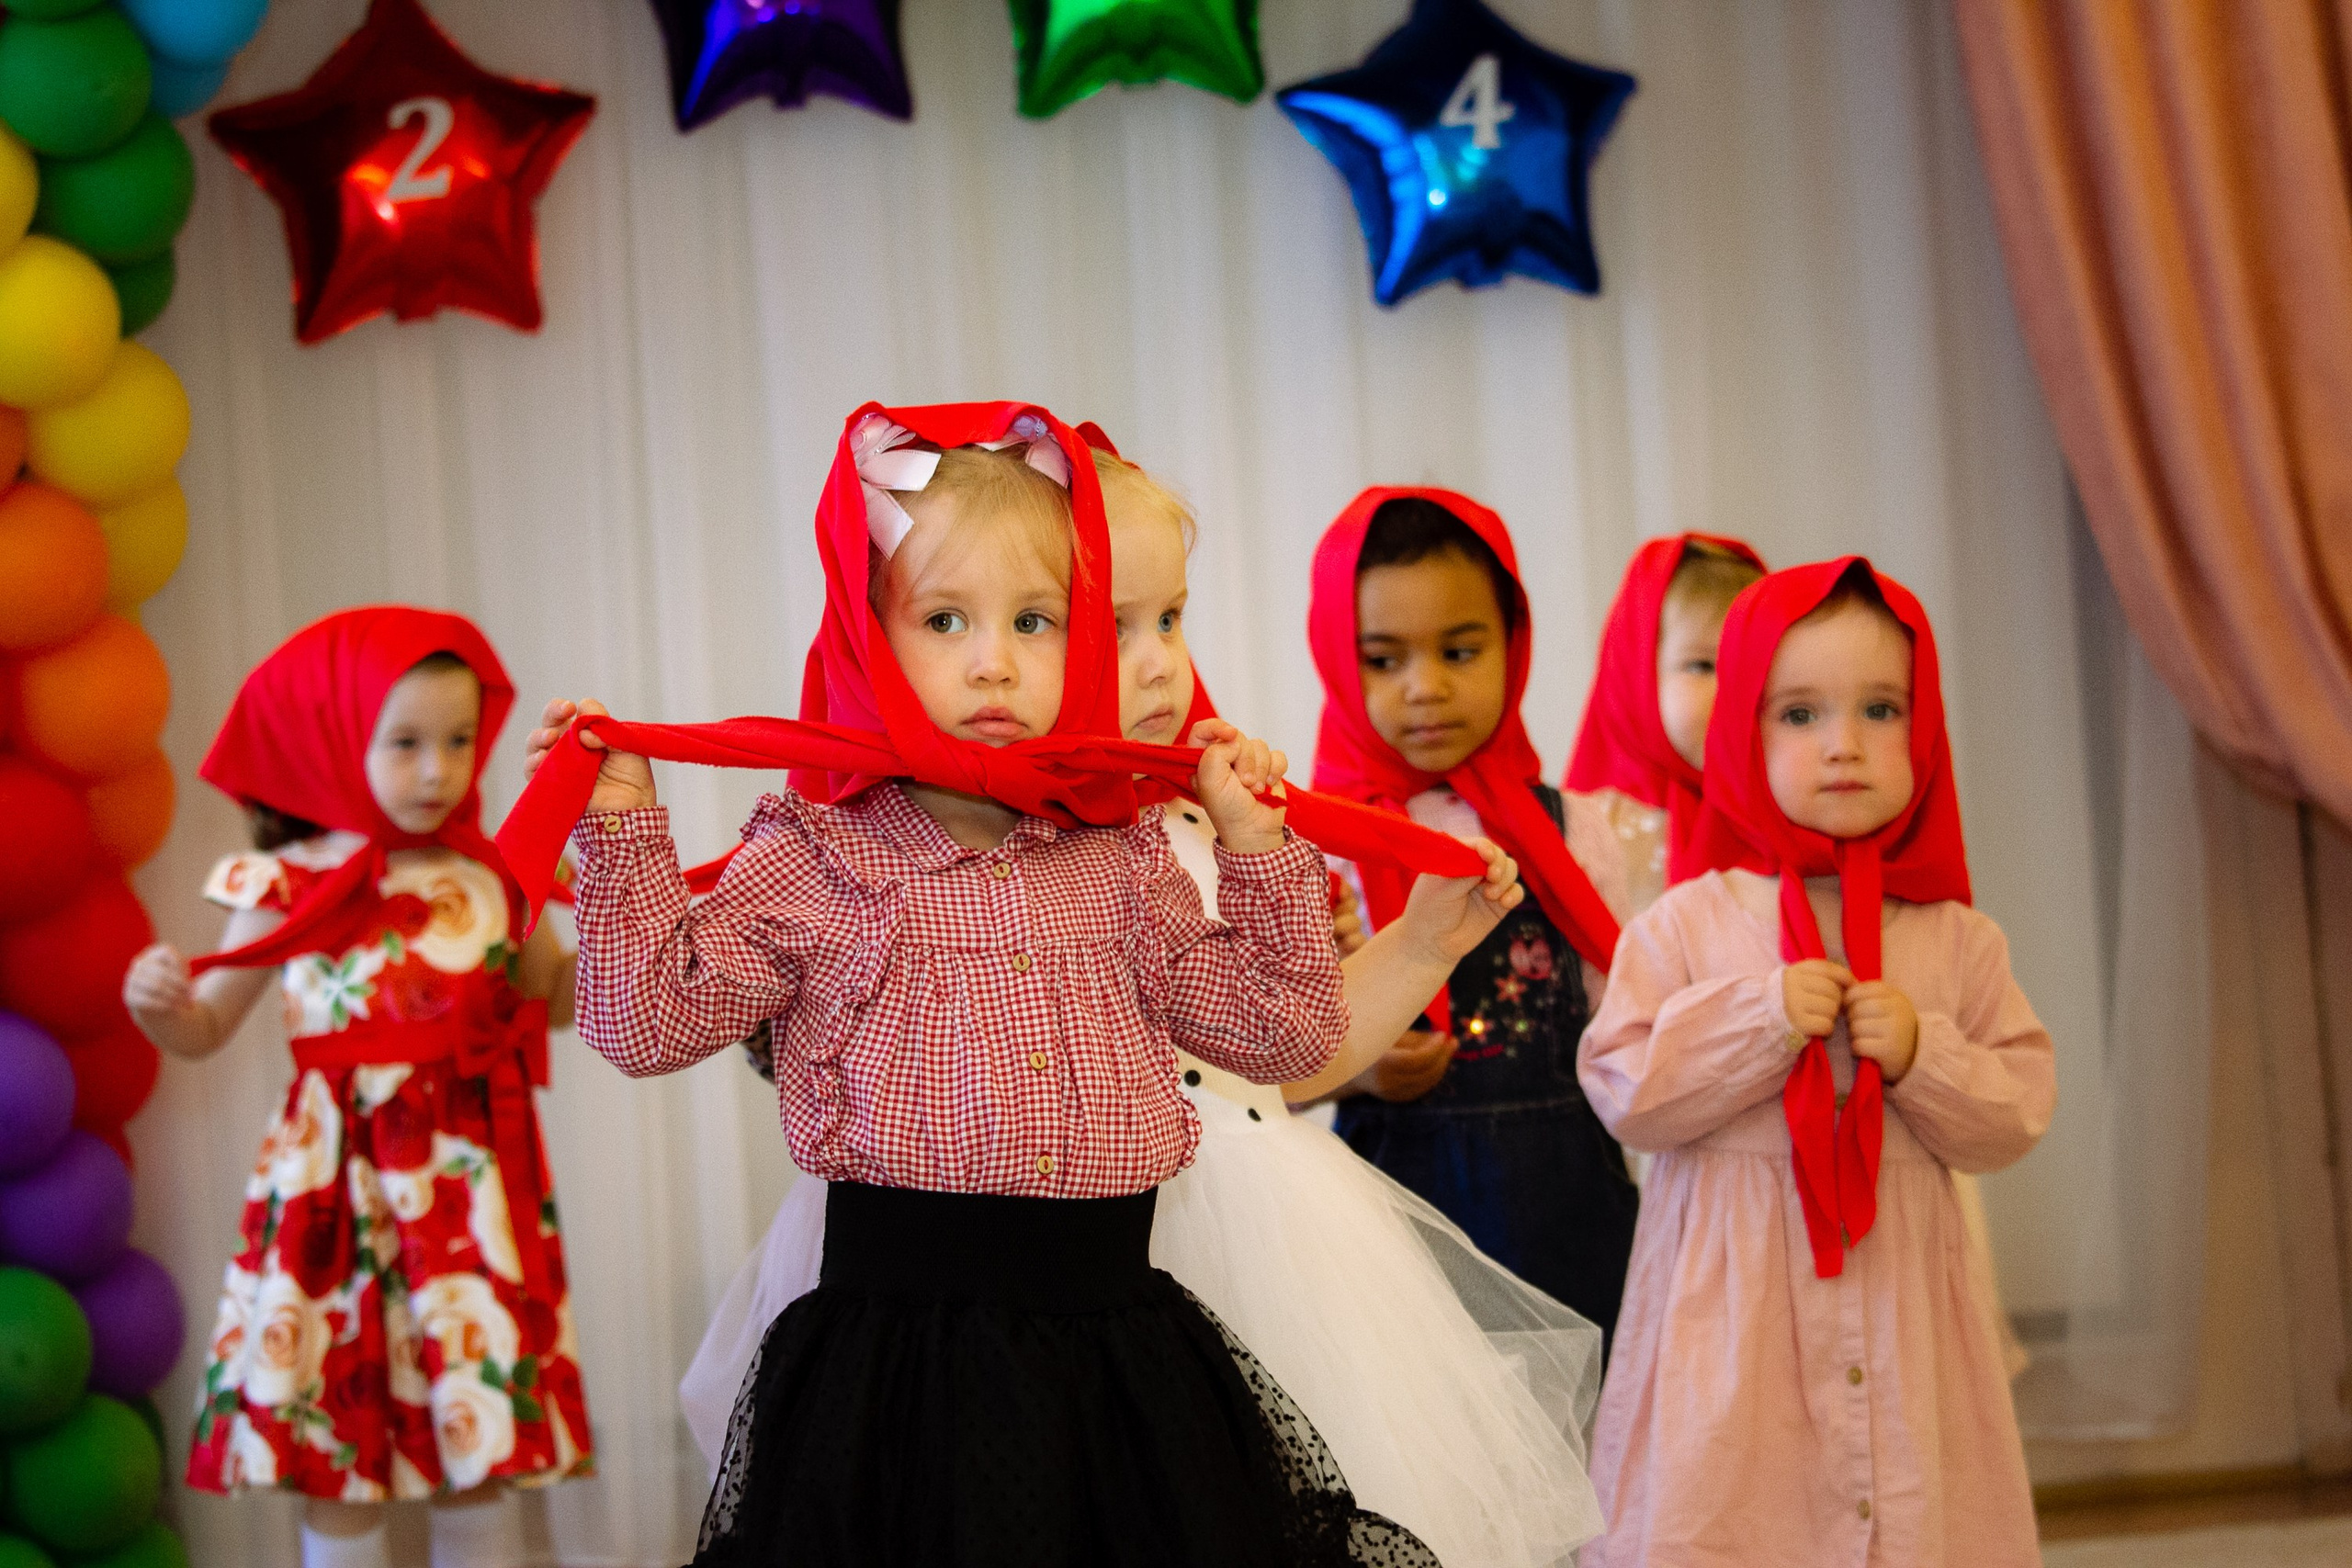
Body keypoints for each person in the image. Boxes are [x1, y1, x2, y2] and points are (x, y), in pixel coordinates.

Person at [524, 401, 1464, 1567]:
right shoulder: (818, 853)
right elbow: (644, 1023)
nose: (993, 661)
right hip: (895, 1373)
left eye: (1035, 620)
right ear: (869, 636)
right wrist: (620, 820)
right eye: (944, 619)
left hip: (1117, 1357)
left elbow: (1281, 1029)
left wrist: (1254, 849)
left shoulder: (1118, 856)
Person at [1577, 558, 2051, 1565]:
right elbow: (1624, 1088)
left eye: (1881, 709)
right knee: (1732, 1513)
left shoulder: (1959, 941)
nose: (1843, 745)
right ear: (1743, 734)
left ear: (1924, 731)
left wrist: (1925, 1055)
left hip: (1904, 1311)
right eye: (1798, 714)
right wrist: (1756, 1021)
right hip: (1731, 1319)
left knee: (1917, 1508)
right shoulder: (1687, 925)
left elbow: (2015, 1113)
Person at [121, 608, 591, 1568]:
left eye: (459, 741)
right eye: (406, 742)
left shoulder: (494, 871)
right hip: (332, 1196)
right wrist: (156, 1002)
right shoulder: (286, 880)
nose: (437, 770)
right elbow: (204, 1027)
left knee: (480, 1435)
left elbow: (549, 997)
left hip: (466, 1197)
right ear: (335, 736)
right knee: (336, 1443)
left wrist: (621, 930)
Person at [1306, 488, 1640, 1348]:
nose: (1427, 688)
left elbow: (1631, 1026)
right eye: (1383, 659)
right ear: (1339, 662)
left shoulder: (1576, 831)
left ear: (1512, 645)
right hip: (1396, 1226)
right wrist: (1362, 1073)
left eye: (1460, 649)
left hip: (1568, 1215)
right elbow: (1275, 1056)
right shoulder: (1315, 847)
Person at [1563, 533, 1766, 908]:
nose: (1731, 692)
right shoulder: (1589, 831)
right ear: (1637, 675)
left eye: (1751, 664)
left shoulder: (1790, 809)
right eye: (1702, 666)